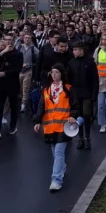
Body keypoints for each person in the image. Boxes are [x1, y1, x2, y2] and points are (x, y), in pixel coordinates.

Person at [33, 63, 75, 192]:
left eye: (57, 72)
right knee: (54, 151)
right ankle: (61, 167)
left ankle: (56, 179)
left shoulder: (68, 89)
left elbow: (75, 105)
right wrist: (37, 121)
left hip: (64, 127)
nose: (54, 74)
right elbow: (41, 107)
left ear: (61, 74)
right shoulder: (46, 90)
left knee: (58, 152)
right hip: (50, 127)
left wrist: (73, 116)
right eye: (52, 72)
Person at [66, 40, 98, 149]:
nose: (74, 52)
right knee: (78, 116)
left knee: (86, 115)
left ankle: (87, 138)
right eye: (73, 50)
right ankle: (80, 138)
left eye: (75, 50)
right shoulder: (71, 62)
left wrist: (94, 94)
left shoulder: (90, 62)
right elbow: (68, 79)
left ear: (81, 50)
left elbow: (95, 79)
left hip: (87, 93)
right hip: (75, 94)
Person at [0, 34, 24, 140]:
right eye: (6, 40)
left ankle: (13, 126)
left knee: (13, 106)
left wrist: (5, 73)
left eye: (10, 40)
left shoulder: (18, 54)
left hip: (12, 83)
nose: (8, 42)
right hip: (1, 84)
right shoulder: (1, 52)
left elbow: (18, 69)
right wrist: (3, 51)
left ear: (14, 41)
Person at [17, 31, 40, 114]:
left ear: (31, 39)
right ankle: (23, 99)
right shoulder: (19, 47)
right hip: (19, 70)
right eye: (25, 38)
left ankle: (23, 104)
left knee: (25, 88)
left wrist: (30, 64)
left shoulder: (33, 48)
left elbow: (39, 56)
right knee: (20, 87)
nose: (27, 39)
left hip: (28, 70)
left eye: (28, 38)